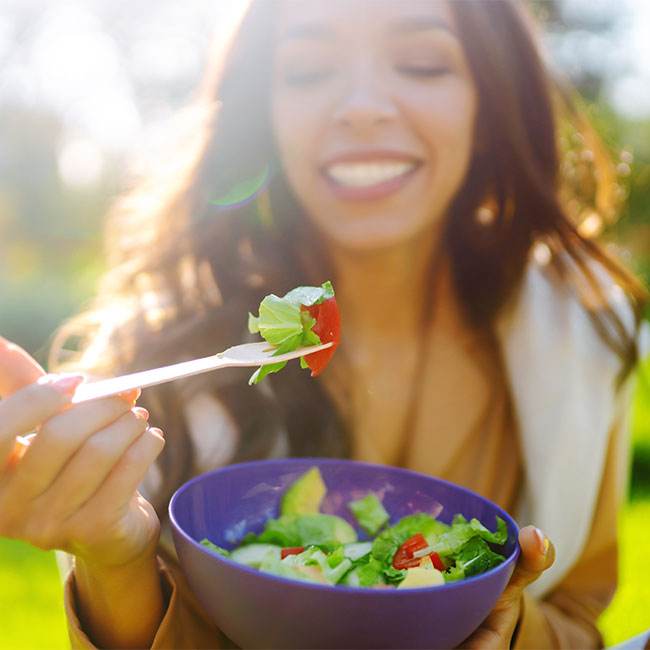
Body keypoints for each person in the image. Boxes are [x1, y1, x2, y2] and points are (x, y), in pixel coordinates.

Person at [0, 0, 646, 648]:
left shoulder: (582, 334)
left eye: (422, 64)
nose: (361, 105)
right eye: (308, 70)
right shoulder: (150, 366)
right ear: (265, 116)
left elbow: (577, 616)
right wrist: (116, 561)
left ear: (489, 104)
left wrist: (509, 630)